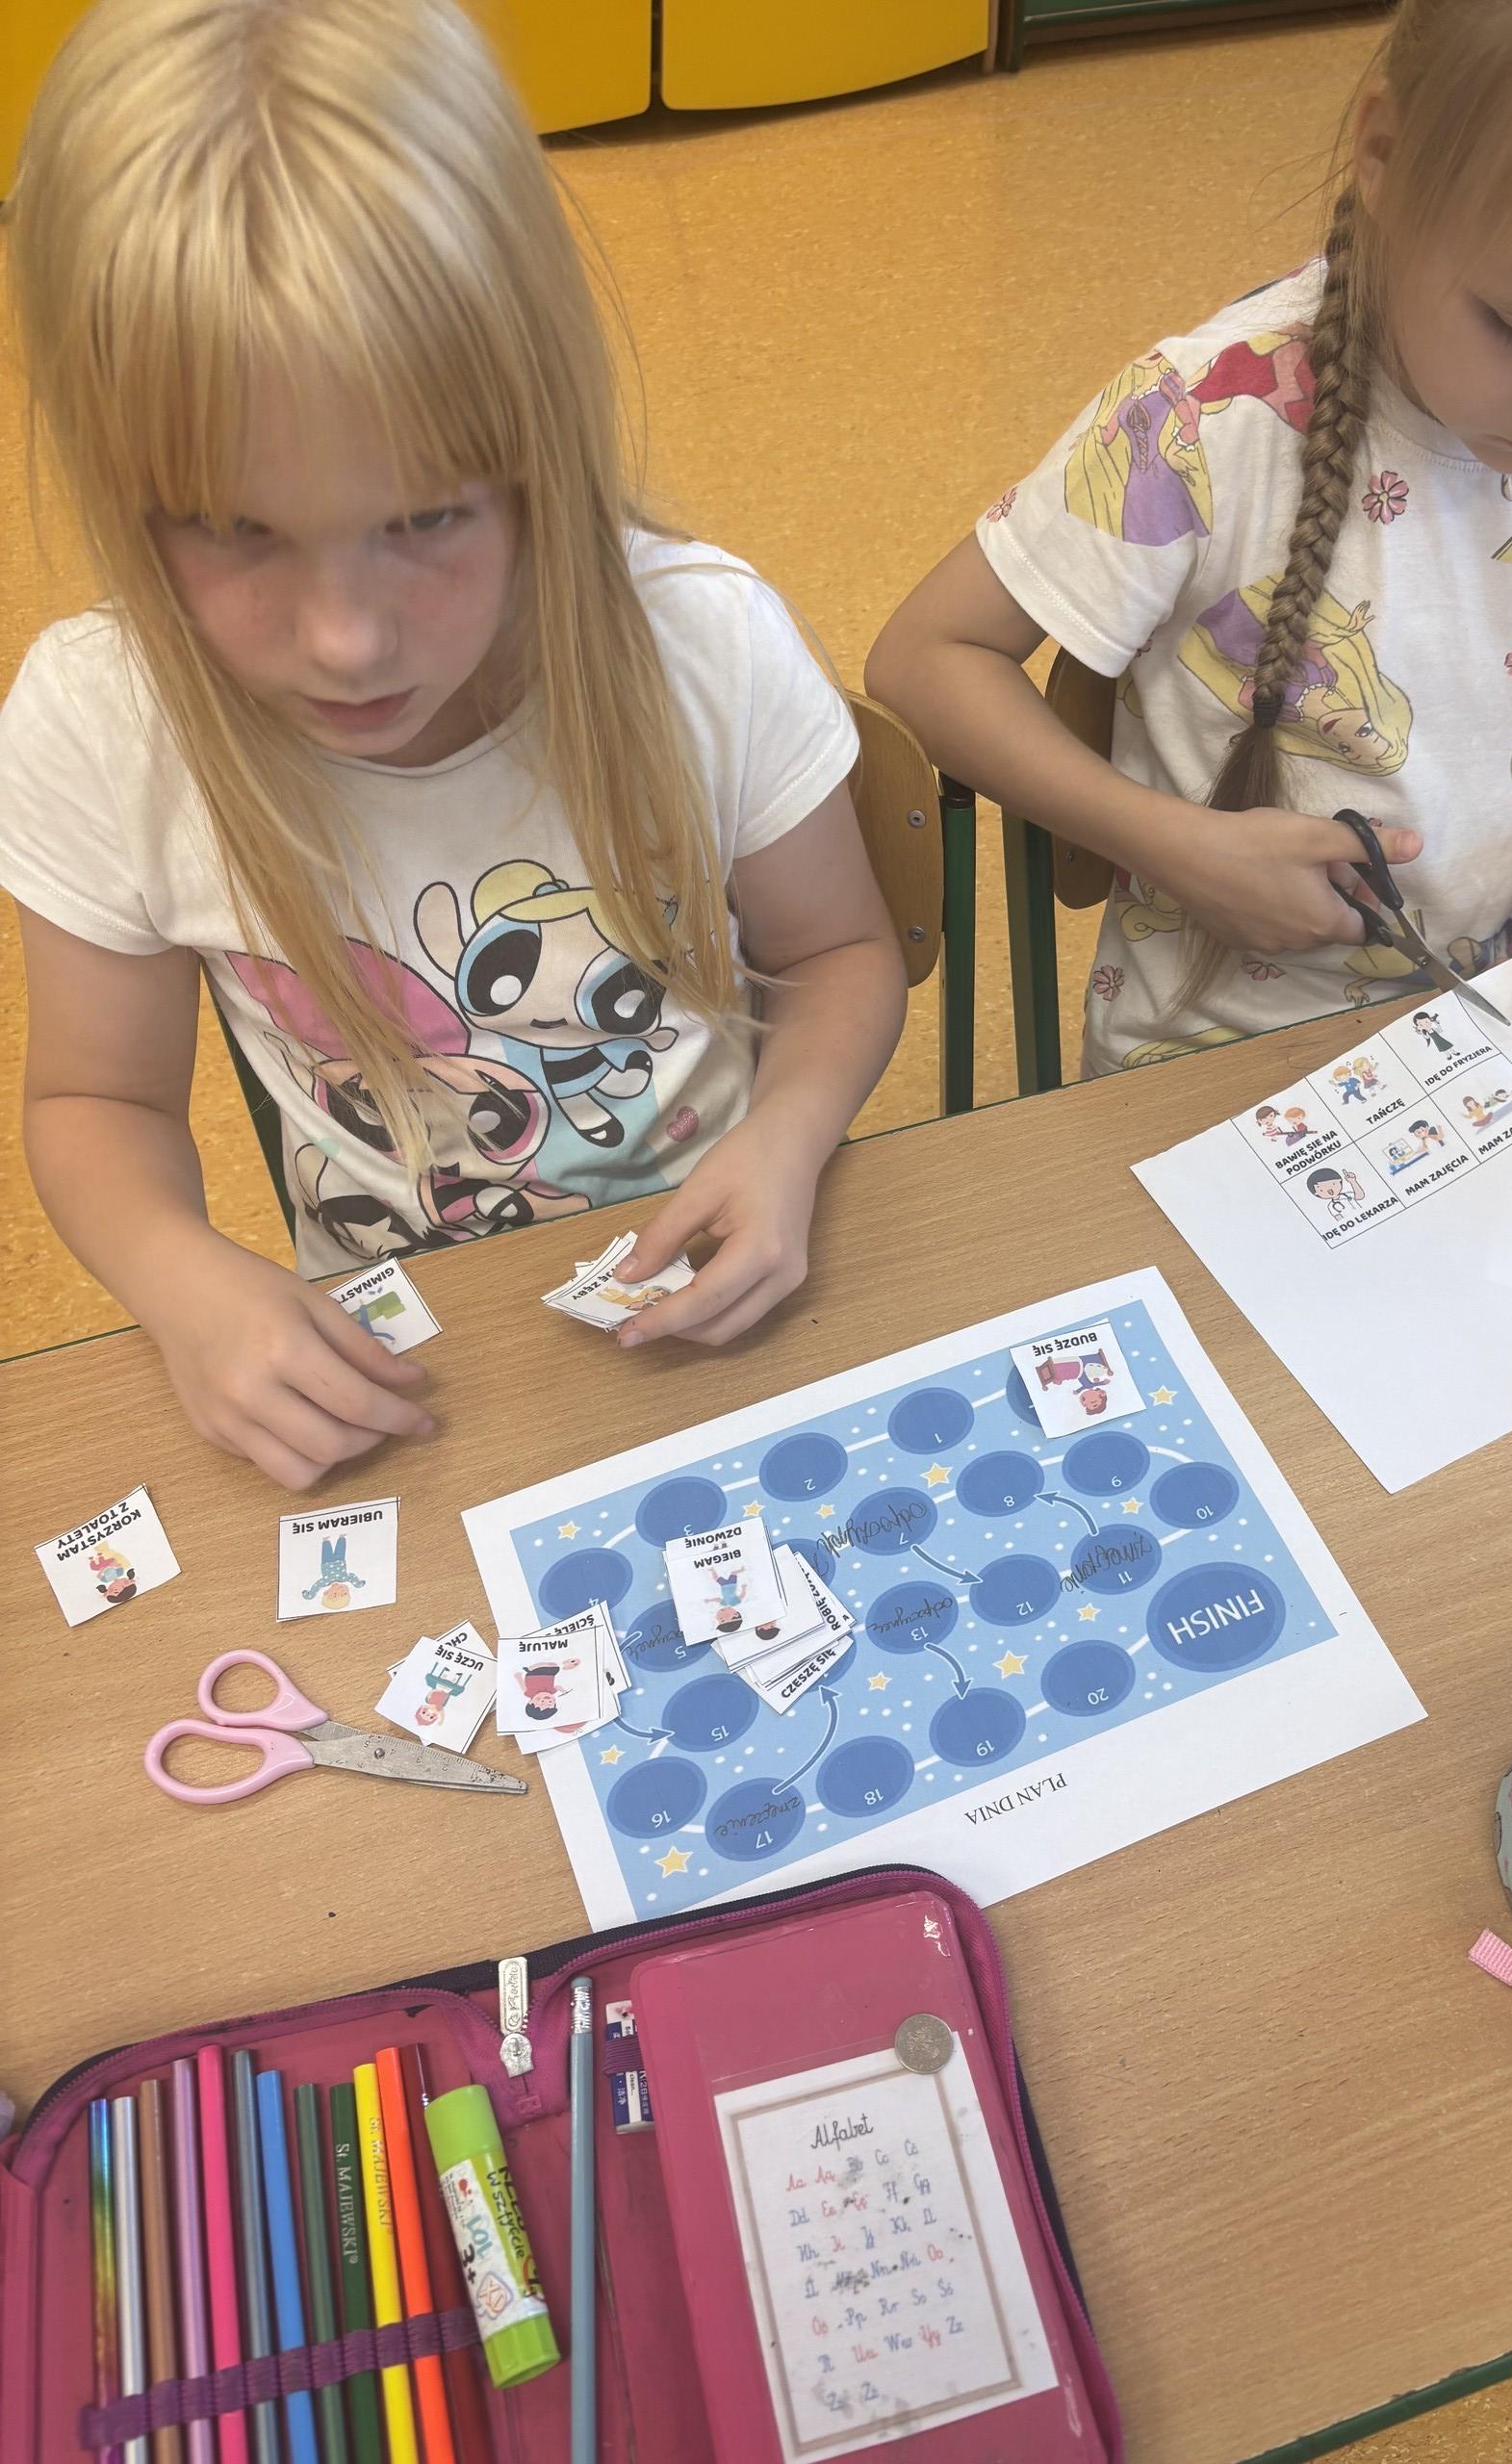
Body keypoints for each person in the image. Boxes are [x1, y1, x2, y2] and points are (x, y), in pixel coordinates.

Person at [0, 0, 906, 1493]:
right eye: (236, 530)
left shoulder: (702, 642)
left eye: (425, 518)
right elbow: (95, 1104)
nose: (348, 641)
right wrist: (185, 1287)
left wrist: (792, 1136)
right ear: (121, 490)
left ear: (535, 445)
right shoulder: (101, 729)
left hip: (728, 1301)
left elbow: (841, 954)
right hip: (413, 1379)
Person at [869, 0, 1512, 1073]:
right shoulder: (1206, 419)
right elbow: (927, 658)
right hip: (1204, 1060)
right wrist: (1177, 846)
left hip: (1494, 1036)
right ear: (1384, 152)